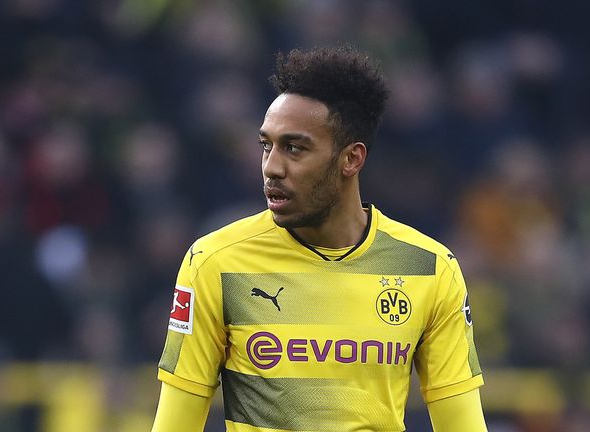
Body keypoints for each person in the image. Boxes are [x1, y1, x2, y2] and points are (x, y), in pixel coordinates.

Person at [151, 45, 487, 432]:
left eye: (294, 148)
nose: (271, 167)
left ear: (351, 159)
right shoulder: (215, 262)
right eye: (266, 145)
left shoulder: (430, 268)